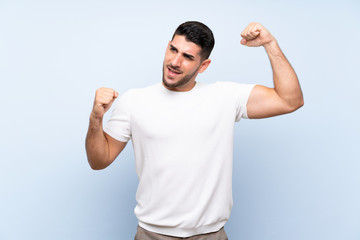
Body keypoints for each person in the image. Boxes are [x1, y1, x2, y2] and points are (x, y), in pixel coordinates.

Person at [85, 21, 304, 239]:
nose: (175, 62)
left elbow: (289, 100)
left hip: (211, 235)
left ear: (203, 66)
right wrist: (96, 118)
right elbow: (99, 161)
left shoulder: (224, 97)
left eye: (188, 57)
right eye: (173, 50)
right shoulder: (134, 101)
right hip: (152, 234)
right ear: (167, 46)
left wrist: (269, 44)